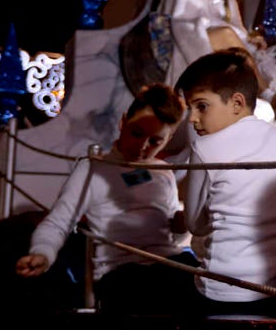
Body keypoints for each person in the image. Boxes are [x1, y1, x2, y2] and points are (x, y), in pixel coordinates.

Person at [15, 83, 196, 314]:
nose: (142, 146)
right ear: (123, 122)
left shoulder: (163, 172)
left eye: (155, 141)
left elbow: (173, 235)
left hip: (167, 263)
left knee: (204, 277)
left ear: (168, 139)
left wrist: (182, 225)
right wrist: (41, 253)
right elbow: (58, 222)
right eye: (137, 133)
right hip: (120, 272)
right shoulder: (93, 168)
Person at [175, 50, 276, 316]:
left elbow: (194, 224)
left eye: (201, 106)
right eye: (190, 109)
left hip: (227, 290)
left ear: (236, 103)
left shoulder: (205, 148)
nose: (193, 118)